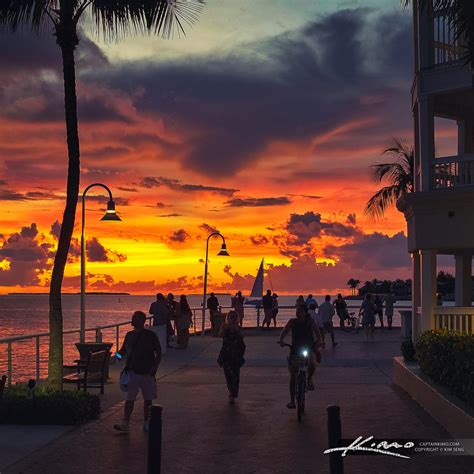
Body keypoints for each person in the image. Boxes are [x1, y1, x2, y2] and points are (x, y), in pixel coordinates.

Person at [114, 311, 162, 433]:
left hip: (147, 373)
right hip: (133, 372)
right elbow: (123, 350)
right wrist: (116, 357)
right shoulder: (129, 335)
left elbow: (158, 352)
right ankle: (126, 423)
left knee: (148, 400)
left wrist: (155, 367)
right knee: (130, 399)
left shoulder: (150, 335)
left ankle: (147, 422)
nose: (132, 320)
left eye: (134, 318)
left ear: (141, 321)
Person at [278, 306, 322, 409]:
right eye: (297, 311)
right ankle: (292, 401)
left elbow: (318, 335)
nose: (298, 313)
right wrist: (281, 340)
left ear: (305, 313)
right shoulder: (292, 322)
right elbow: (285, 331)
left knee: (311, 361)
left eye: (300, 311)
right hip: (295, 349)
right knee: (293, 375)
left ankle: (310, 378)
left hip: (308, 347)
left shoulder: (310, 322)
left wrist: (319, 342)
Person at [217, 311, 246, 405]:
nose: (232, 319)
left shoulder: (239, 328)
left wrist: (236, 328)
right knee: (228, 375)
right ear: (228, 318)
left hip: (236, 355)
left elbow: (242, 337)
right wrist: (226, 327)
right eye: (231, 317)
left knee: (236, 376)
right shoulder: (225, 327)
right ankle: (231, 394)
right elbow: (220, 335)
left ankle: (234, 393)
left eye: (234, 317)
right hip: (226, 354)